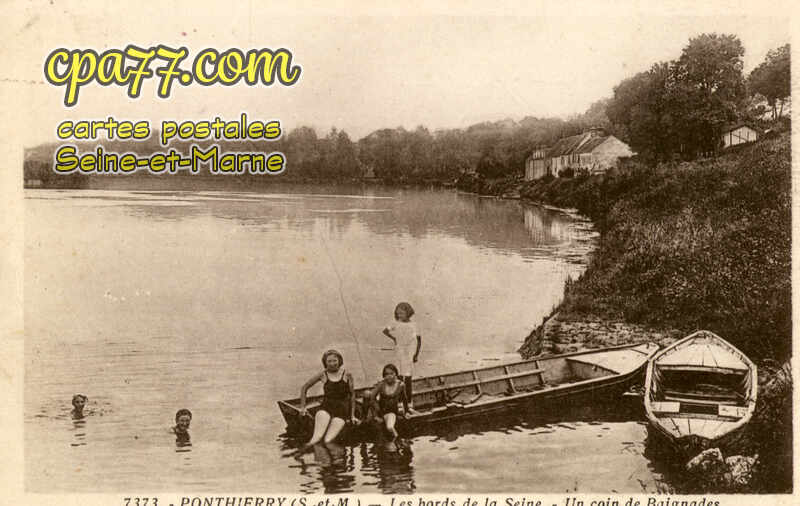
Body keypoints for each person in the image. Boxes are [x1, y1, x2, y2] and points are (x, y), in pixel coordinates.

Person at [298, 350, 357, 448]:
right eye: (329, 361)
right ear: (325, 363)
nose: (332, 364)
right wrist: (303, 407)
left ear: (340, 360)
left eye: (335, 360)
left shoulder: (347, 375)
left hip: (341, 411)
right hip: (326, 408)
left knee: (328, 440)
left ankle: (323, 461)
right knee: (316, 438)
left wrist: (352, 416)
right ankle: (302, 455)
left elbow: (352, 395)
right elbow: (304, 387)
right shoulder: (323, 374)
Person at [383, 302, 421, 412]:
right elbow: (385, 331)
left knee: (408, 377)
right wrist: (394, 338)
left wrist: (416, 355)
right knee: (399, 376)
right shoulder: (395, 323)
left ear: (408, 313)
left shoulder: (414, 324)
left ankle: (409, 402)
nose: (400, 315)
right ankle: (400, 402)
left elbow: (418, 340)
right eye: (398, 313)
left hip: (410, 351)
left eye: (402, 313)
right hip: (399, 350)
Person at [367, 364, 409, 440]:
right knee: (367, 394)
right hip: (382, 411)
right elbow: (372, 398)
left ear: (396, 374)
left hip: (391, 411)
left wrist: (407, 412)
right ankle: (398, 440)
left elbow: (404, 399)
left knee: (390, 427)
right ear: (384, 376)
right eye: (386, 374)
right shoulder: (381, 384)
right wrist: (375, 415)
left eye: (391, 373)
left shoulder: (401, 385)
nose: (389, 376)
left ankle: (397, 439)